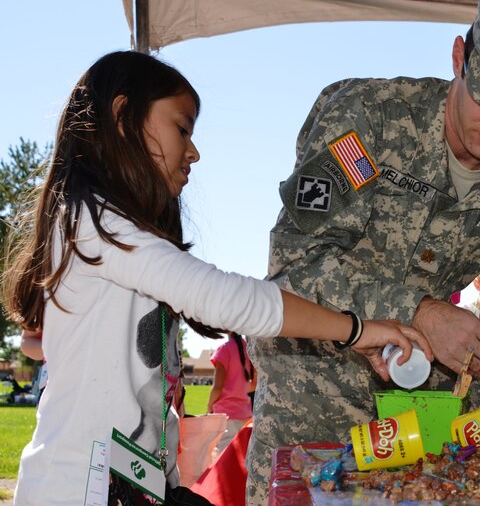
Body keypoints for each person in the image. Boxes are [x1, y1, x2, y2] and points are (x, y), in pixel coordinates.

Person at [1, 50, 432, 506]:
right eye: (181, 128)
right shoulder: (92, 224)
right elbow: (225, 298)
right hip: (74, 490)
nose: (194, 151)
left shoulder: (107, 231)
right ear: (122, 115)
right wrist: (355, 330)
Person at [247, 0, 480, 501]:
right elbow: (294, 267)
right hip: (309, 398)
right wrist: (418, 311)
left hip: (426, 436)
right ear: (459, 57)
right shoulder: (367, 122)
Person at [207, 332, 256, 453]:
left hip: (226, 416)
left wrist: (209, 405)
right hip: (246, 416)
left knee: (223, 460)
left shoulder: (224, 350)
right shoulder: (250, 350)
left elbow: (218, 387)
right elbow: (254, 384)